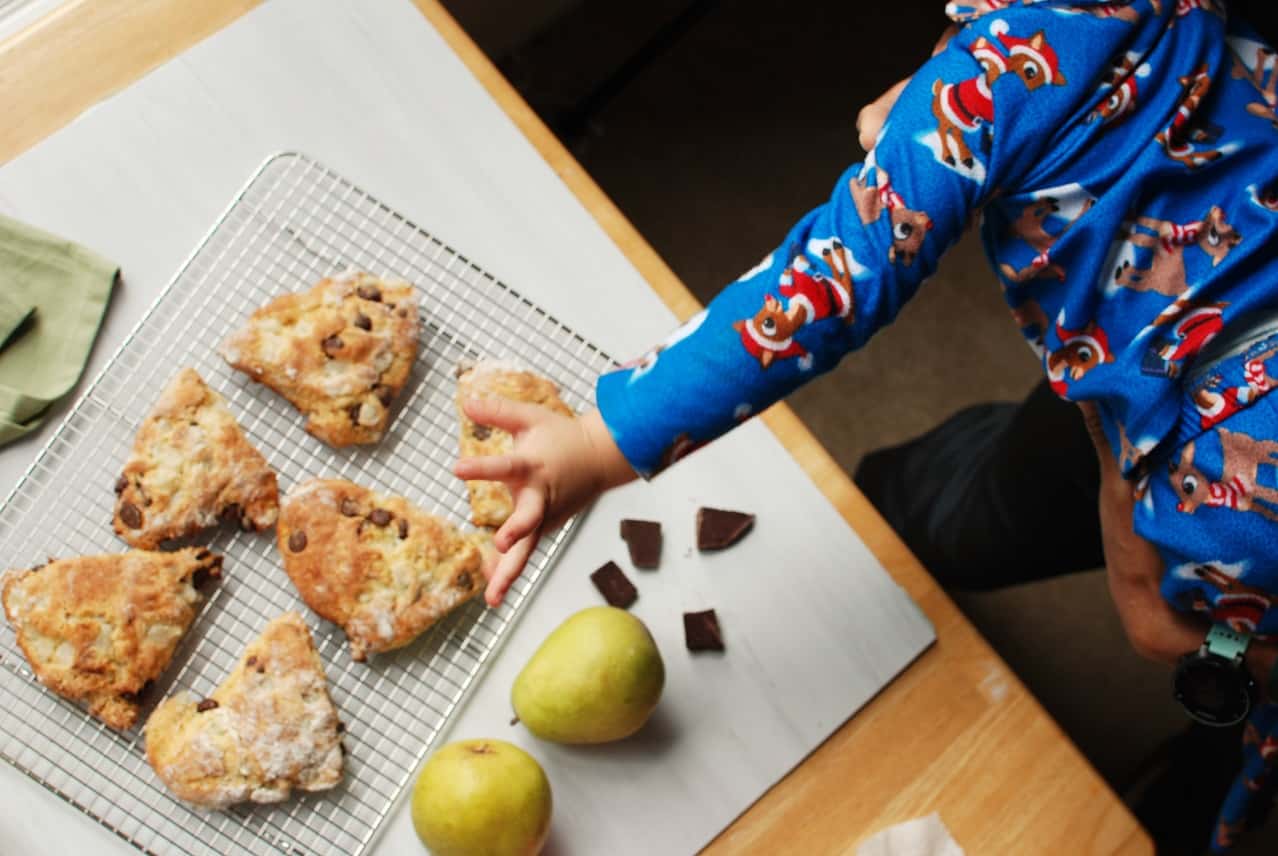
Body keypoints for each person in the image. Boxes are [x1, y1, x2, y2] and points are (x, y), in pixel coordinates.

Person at [453, 1, 1278, 849]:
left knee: (1194, 642)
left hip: (1220, 495)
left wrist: (599, 443)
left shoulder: (1002, 71)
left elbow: (826, 285)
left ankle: (1221, 730)